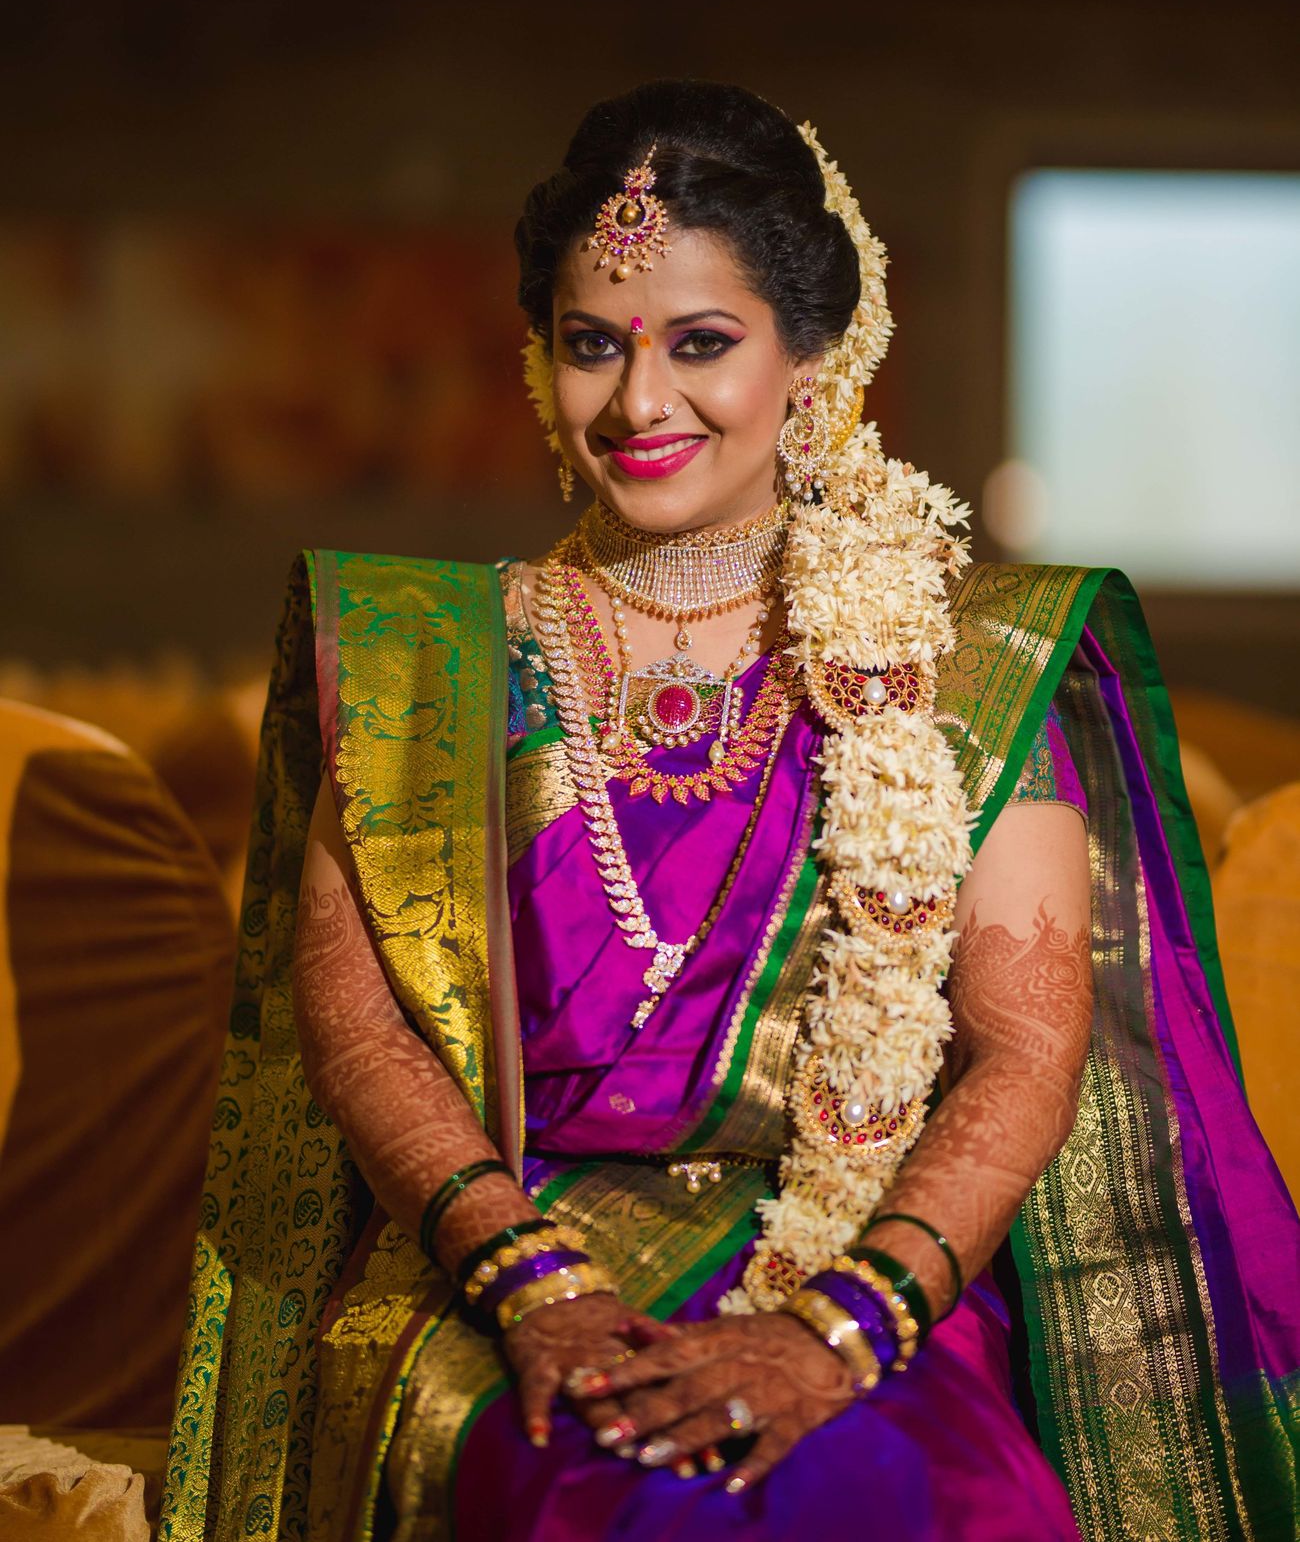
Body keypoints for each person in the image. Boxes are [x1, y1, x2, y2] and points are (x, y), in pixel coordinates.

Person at [161, 81, 1299, 1542]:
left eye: (703, 344)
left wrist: (838, 1326)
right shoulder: (423, 656)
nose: (638, 403)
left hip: (861, 1272)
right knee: (622, 1486)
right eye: (591, 346)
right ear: (538, 362)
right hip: (503, 1269)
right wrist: (533, 1284)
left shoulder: (960, 658)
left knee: (876, 1485)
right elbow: (360, 1022)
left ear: (814, 361)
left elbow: (1024, 1049)